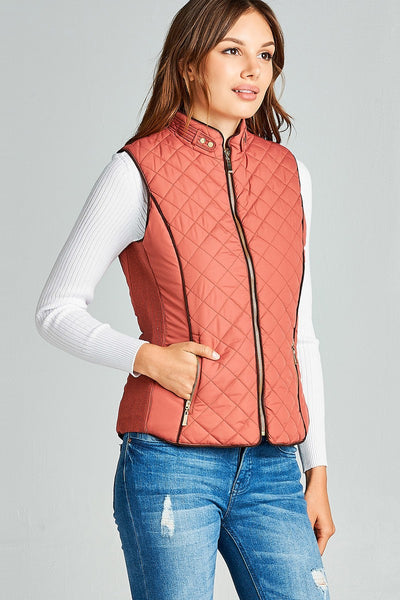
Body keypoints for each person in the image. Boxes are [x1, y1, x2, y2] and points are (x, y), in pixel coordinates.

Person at [35, 0, 335, 598]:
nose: (253, 70)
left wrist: (316, 467)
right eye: (232, 51)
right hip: (172, 462)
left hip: (275, 466)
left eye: (265, 55)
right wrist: (148, 358)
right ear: (191, 62)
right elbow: (55, 310)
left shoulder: (290, 174)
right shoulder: (137, 170)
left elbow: (298, 333)